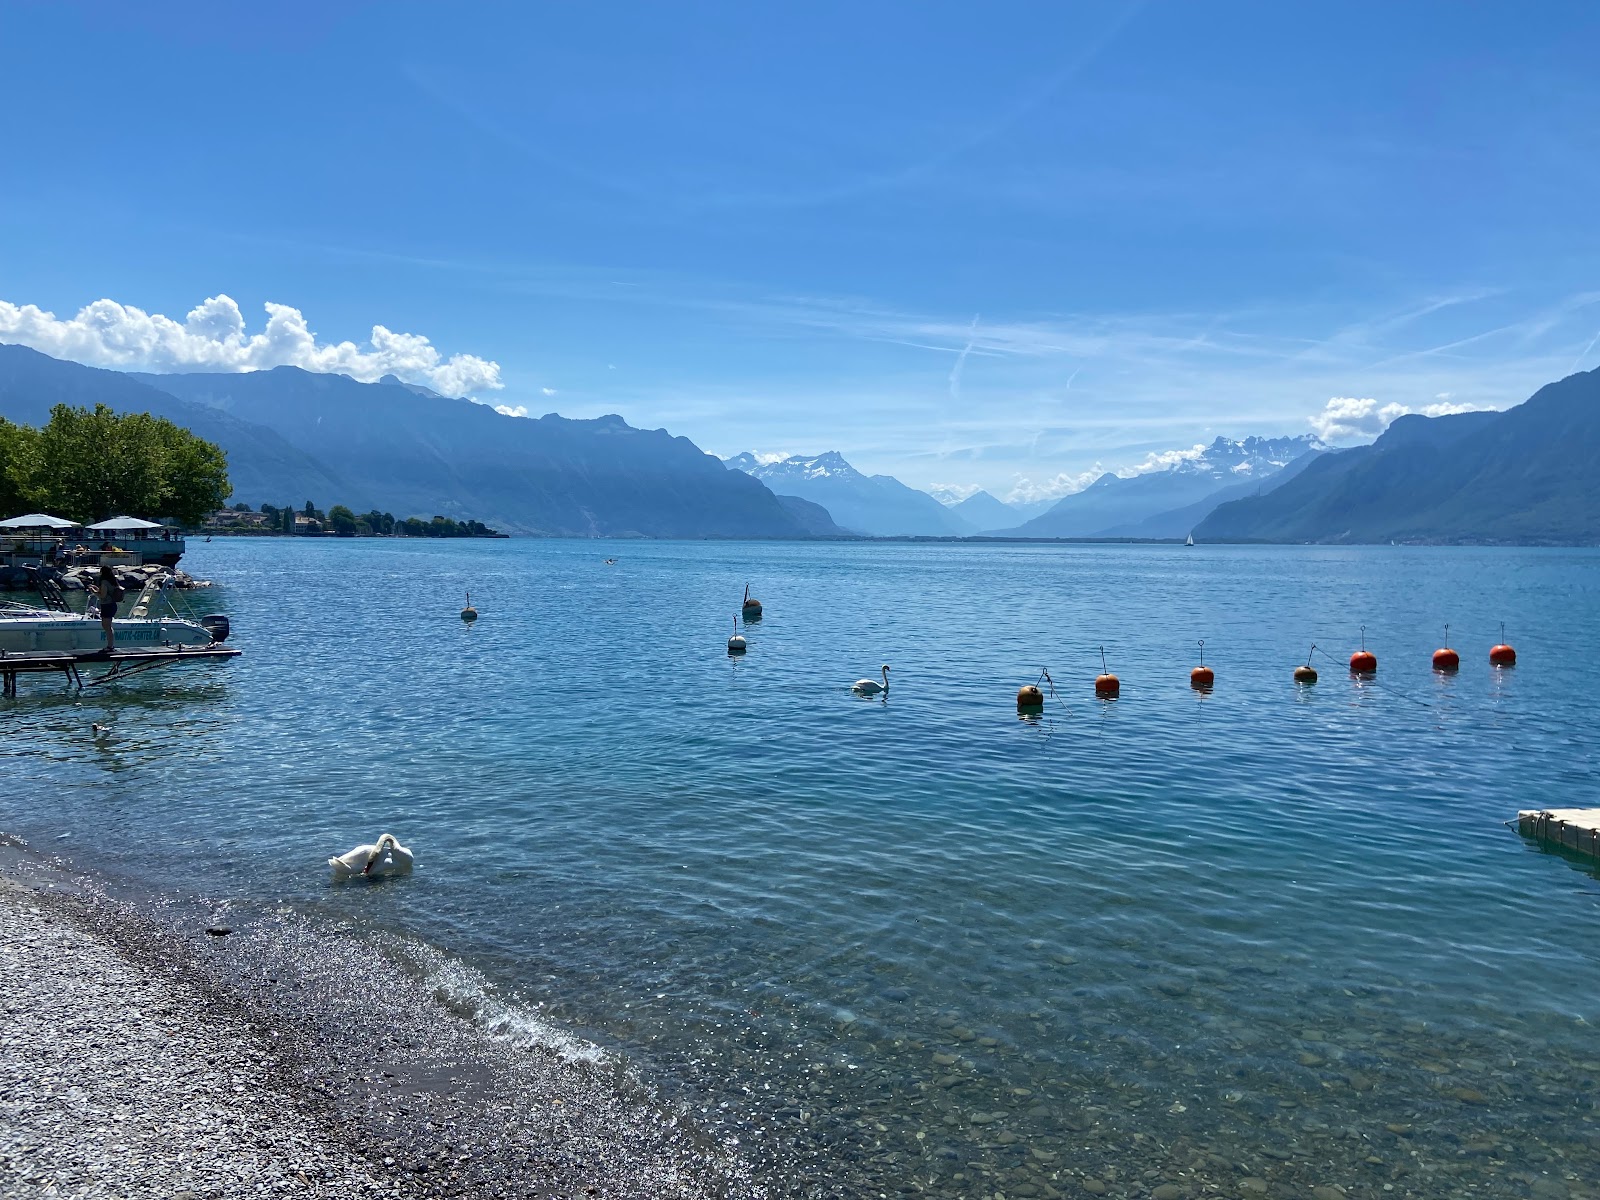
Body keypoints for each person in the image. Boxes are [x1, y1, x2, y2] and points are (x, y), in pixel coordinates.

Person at [95, 565, 124, 653]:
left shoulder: (104, 582)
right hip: (111, 605)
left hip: (107, 605)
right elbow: (107, 592)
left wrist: (94, 592)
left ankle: (110, 646)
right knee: (107, 626)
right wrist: (97, 590)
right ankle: (110, 645)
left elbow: (102, 596)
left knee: (107, 626)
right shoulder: (112, 581)